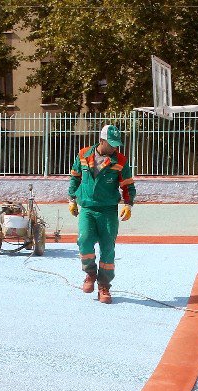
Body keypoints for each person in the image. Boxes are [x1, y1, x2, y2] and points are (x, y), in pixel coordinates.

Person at [68, 124, 136, 305]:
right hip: (88, 208)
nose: (115, 147)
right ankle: (90, 273)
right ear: (102, 140)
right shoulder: (83, 155)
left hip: (108, 210)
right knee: (84, 239)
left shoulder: (120, 160)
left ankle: (104, 285)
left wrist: (128, 204)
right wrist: (71, 199)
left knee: (108, 248)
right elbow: (75, 177)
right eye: (111, 143)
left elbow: (128, 185)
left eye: (116, 144)